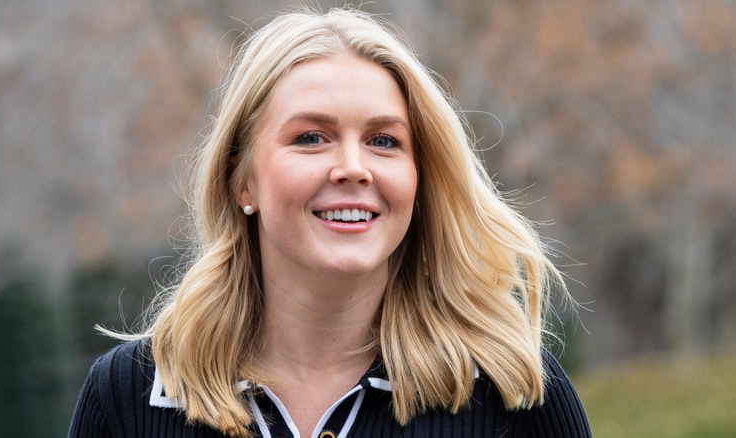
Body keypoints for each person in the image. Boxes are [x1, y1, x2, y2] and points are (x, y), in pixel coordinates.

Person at [69, 7, 591, 438]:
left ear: (418, 177)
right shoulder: (129, 395)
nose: (353, 168)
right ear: (241, 180)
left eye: (384, 141)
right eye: (311, 138)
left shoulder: (513, 394)